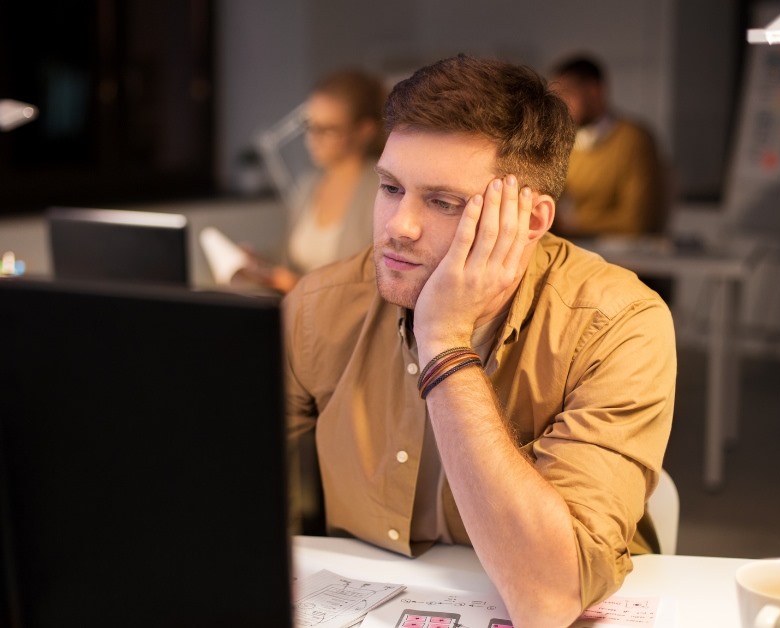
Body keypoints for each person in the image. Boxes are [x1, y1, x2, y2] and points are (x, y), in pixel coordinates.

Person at [283, 55, 675, 627]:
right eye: (390, 187)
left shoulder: (619, 323)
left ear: (532, 219)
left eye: (444, 202)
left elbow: (548, 597)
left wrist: (444, 340)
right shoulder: (319, 307)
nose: (399, 226)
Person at [233, 68, 387, 293]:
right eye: (310, 126)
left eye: (326, 130)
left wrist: (298, 286)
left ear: (364, 131)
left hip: (344, 323)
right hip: (302, 318)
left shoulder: (380, 191)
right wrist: (258, 263)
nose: (312, 139)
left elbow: (370, 285)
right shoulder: (309, 185)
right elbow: (291, 260)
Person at [549, 55, 667, 238]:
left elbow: (635, 220)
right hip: (579, 247)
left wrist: (572, 222)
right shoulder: (565, 140)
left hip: (628, 253)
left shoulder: (633, 140)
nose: (562, 104)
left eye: (568, 93)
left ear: (594, 91)